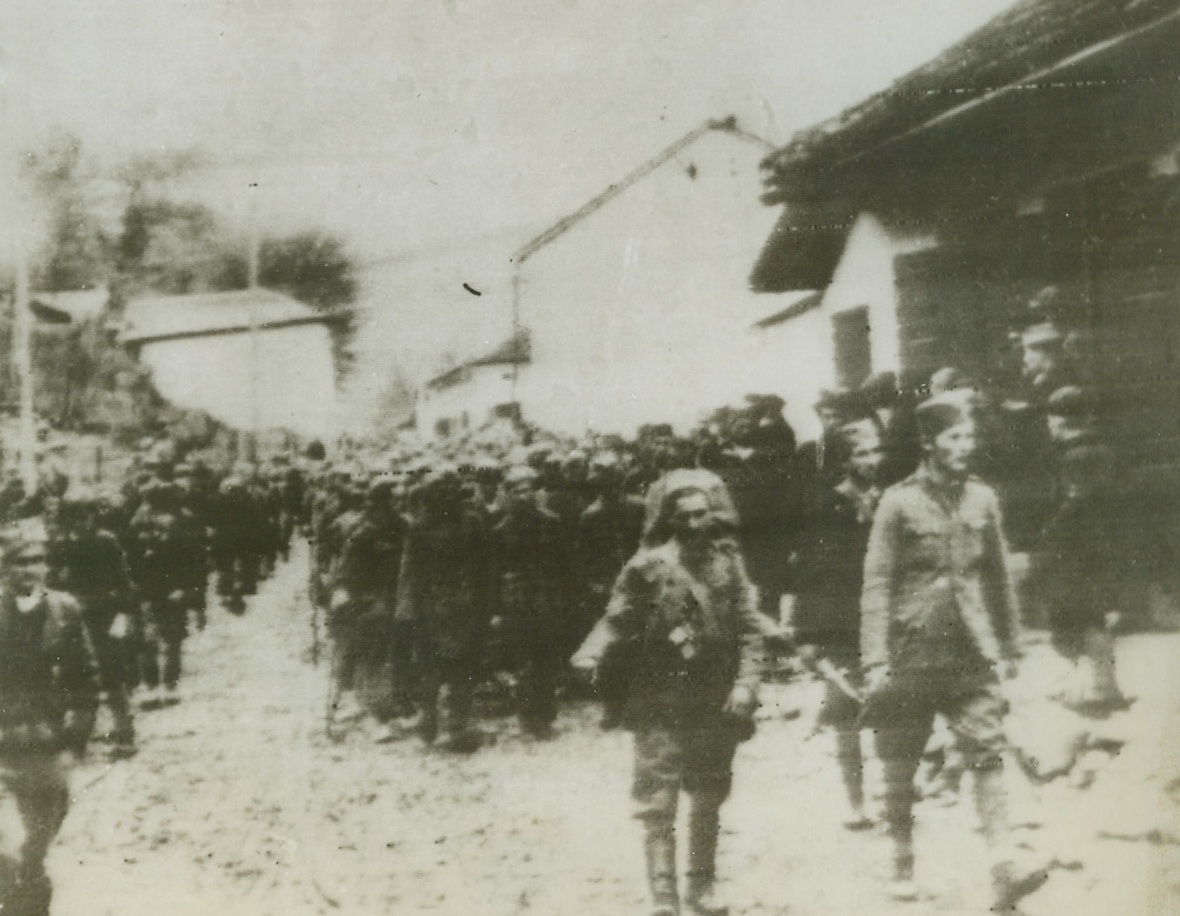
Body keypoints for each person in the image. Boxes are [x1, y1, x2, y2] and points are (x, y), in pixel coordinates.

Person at [859, 391, 1047, 911]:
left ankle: (1004, 863)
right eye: (955, 437)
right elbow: (876, 584)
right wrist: (875, 660)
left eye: (970, 436)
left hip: (970, 649)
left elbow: (999, 576)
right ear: (929, 442)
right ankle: (901, 858)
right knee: (899, 759)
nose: (967, 445)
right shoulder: (897, 502)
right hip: (910, 652)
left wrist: (1009, 643)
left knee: (986, 751)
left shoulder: (982, 498)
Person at [572, 468, 765, 916]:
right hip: (658, 697)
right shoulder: (647, 567)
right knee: (658, 797)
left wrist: (746, 683)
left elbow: (750, 629)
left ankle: (702, 888)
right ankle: (663, 897)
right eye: (686, 517)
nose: (696, 524)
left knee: (708, 793)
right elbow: (616, 618)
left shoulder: (727, 563)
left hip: (715, 698)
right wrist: (591, 652)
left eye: (703, 514)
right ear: (670, 520)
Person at [0, 517, 100, 916]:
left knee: (40, 836)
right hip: (4, 739)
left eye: (37, 559)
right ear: (5, 567)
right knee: (9, 843)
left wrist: (74, 741)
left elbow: (86, 679)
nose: (30, 568)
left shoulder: (65, 609)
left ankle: (28, 890)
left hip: (48, 741)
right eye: (20, 561)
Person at [789, 417, 883, 830]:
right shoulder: (826, 505)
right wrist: (807, 634)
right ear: (844, 461)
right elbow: (810, 571)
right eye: (862, 452)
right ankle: (855, 802)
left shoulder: (890, 498)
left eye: (875, 450)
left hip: (886, 616)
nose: (872, 459)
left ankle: (897, 789)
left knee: (892, 702)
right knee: (846, 711)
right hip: (840, 621)